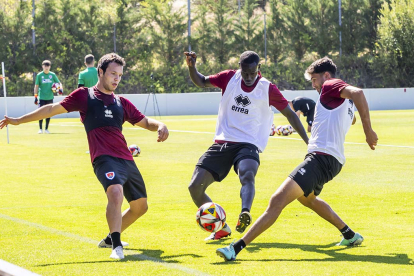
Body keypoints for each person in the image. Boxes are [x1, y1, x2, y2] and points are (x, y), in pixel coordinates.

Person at [0, 53, 169, 260]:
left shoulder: (121, 102)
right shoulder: (84, 96)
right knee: (115, 192)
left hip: (126, 159)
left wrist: (160, 125)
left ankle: (109, 238)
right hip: (103, 157)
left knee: (140, 207)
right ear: (100, 72)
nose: (117, 79)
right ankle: (117, 246)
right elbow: (51, 109)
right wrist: (17, 121)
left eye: (120, 75)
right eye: (113, 74)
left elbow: (144, 122)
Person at [216, 56, 378, 261]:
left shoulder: (330, 85)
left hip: (321, 158)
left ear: (326, 76)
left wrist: (368, 131)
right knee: (307, 198)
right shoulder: (343, 101)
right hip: (332, 161)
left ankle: (235, 248)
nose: (314, 85)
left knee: (277, 200)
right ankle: (350, 234)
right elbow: (351, 115)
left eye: (314, 80)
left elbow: (358, 92)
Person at [184, 50, 309, 241]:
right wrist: (192, 67)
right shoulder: (228, 78)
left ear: (258, 68)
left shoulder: (268, 88)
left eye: (253, 73)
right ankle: (222, 228)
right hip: (224, 141)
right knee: (195, 187)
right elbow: (200, 81)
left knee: (247, 174)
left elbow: (290, 115)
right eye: (245, 73)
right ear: (240, 68)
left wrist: (308, 142)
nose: (249, 77)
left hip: (249, 143)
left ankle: (245, 212)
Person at [34, 60, 63, 134]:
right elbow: (36, 86)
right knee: (40, 112)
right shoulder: (39, 75)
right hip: (42, 97)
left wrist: (60, 89)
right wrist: (35, 96)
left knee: (49, 113)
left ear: (50, 67)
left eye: (48, 66)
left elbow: (59, 83)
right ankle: (40, 129)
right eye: (45, 65)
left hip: (50, 97)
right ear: (42, 66)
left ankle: (46, 129)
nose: (46, 67)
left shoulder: (52, 75)